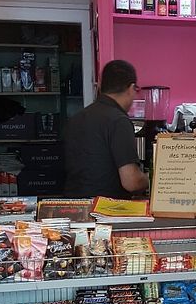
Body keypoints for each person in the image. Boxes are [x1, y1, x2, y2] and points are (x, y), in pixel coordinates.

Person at [63, 59, 149, 199]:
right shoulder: (119, 120)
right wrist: (153, 179)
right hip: (107, 210)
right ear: (131, 88)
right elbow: (131, 182)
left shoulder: (76, 119)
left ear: (101, 86)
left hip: (75, 207)